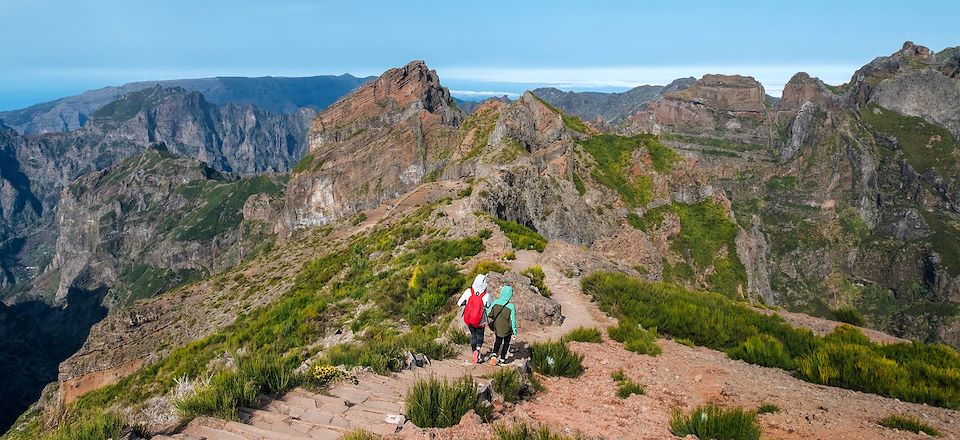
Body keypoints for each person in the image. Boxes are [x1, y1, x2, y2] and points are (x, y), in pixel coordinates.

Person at [457, 274, 490, 364]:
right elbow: (488, 306)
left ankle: (473, 352)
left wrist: (467, 303)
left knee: (473, 335)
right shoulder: (486, 295)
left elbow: (459, 303)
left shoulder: (469, 291)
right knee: (480, 335)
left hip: (469, 319)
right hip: (479, 320)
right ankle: (478, 350)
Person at [487, 285, 517, 366]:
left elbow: (488, 313)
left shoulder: (495, 302)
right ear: (510, 295)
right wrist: (514, 332)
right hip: (507, 329)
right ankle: (502, 359)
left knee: (498, 341)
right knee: (506, 343)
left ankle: (494, 354)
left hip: (497, 327)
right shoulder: (511, 306)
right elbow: (512, 320)